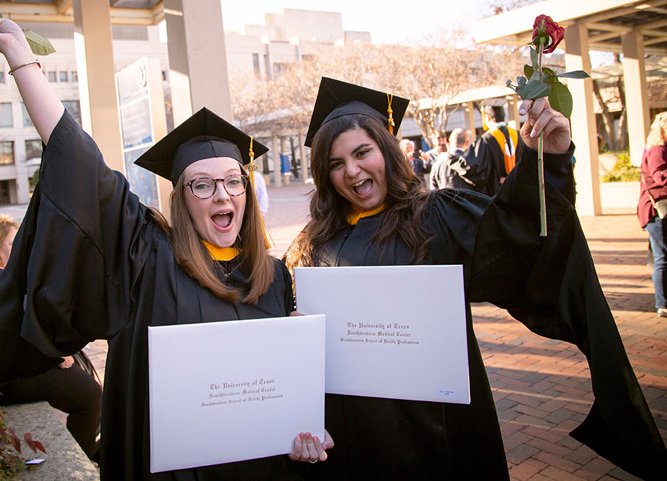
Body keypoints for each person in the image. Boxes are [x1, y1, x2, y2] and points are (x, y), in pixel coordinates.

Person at [0, 13, 331, 480]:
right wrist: (21, 60)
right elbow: (85, 170)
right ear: (182, 199)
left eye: (234, 182)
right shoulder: (151, 259)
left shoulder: (275, 278)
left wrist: (306, 429)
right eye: (203, 185)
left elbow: (283, 393)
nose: (223, 194)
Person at [285, 77, 666, 480]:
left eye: (363, 152)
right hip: (351, 431)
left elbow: (518, 242)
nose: (353, 171)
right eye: (336, 164)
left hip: (438, 427)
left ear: (386, 150)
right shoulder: (313, 243)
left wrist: (546, 161)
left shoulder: (435, 217)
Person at [0, 214, 103, 461]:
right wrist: (54, 353)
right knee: (89, 395)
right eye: (11, 242)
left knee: (83, 376)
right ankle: (83, 457)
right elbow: (18, 333)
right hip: (5, 379)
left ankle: (91, 449)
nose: (18, 247)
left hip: (9, 366)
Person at [638, 112, 667, 318]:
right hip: (656, 212)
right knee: (662, 258)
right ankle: (662, 303)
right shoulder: (657, 150)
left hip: (657, 212)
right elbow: (660, 177)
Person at [461, 104, 523, 195]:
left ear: (487, 117)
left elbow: (475, 168)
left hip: (498, 194)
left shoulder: (486, 139)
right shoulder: (518, 135)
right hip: (519, 190)